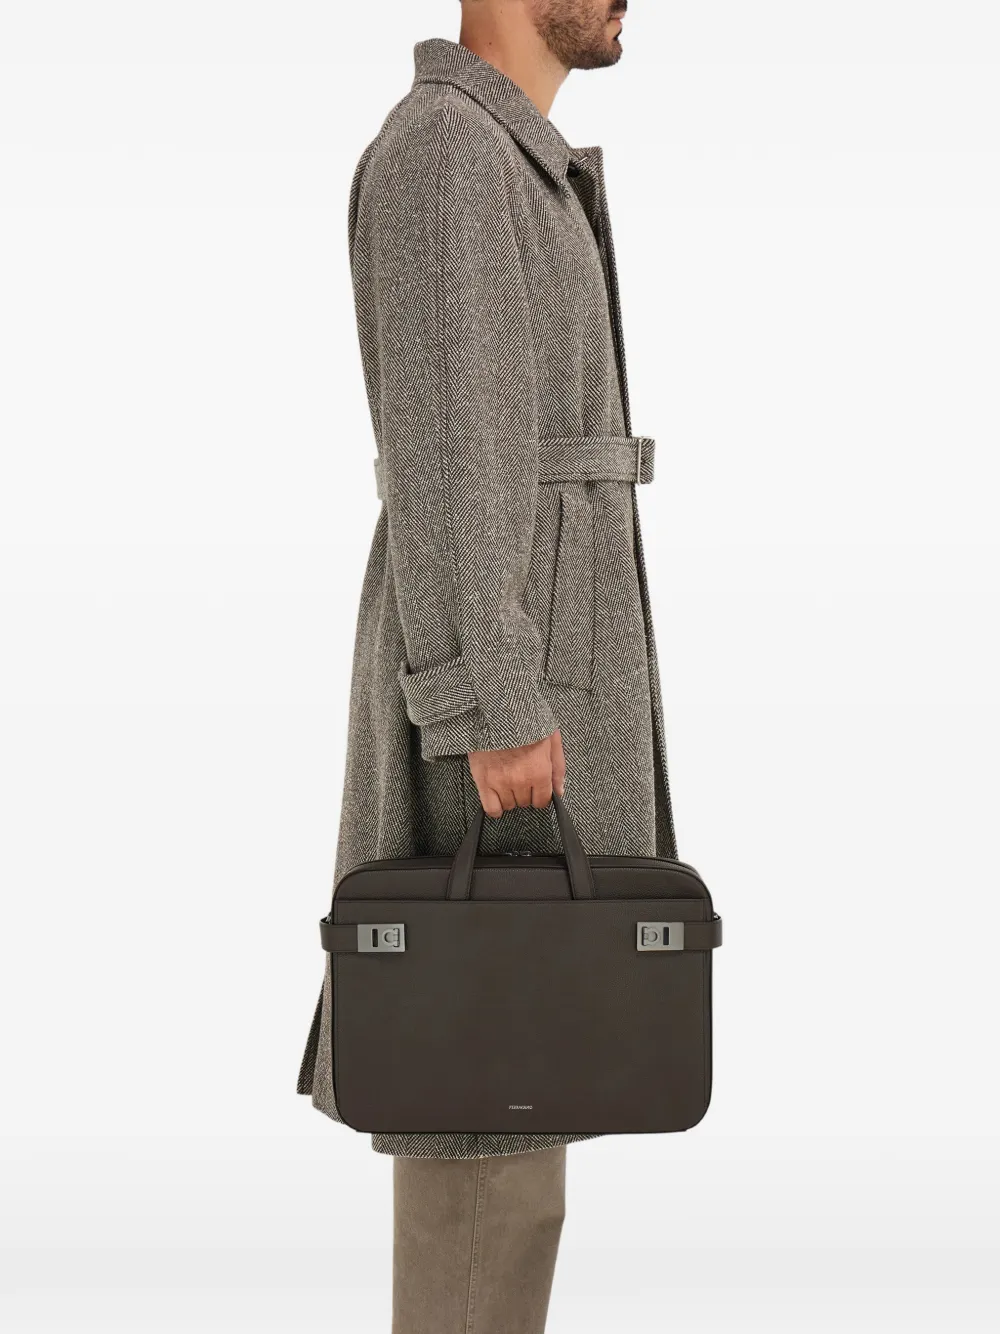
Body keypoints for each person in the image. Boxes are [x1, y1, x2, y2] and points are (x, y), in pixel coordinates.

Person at [297, 4, 677, 1330]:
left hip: (533, 690)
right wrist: (491, 701)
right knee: (479, 1135)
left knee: (520, 1124)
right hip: (505, 723)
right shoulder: (449, 154)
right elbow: (451, 450)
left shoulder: (501, 156)